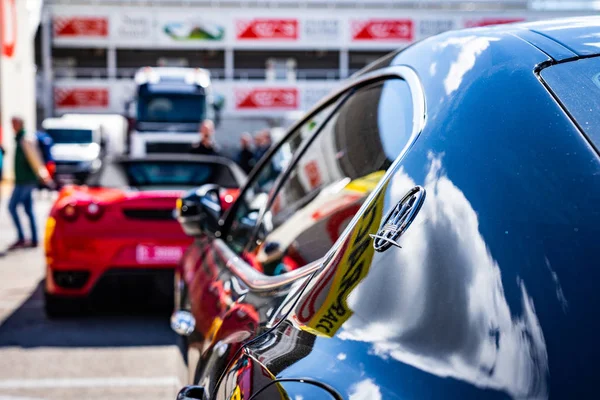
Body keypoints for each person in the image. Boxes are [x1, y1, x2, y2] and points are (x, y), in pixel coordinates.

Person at [7, 117, 53, 250]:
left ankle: (22, 237)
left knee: (12, 207)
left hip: (26, 181)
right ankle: (33, 239)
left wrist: (43, 175)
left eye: (14, 123)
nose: (12, 126)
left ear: (20, 124)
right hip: (21, 180)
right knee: (28, 209)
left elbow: (35, 159)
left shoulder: (26, 139)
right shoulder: (19, 139)